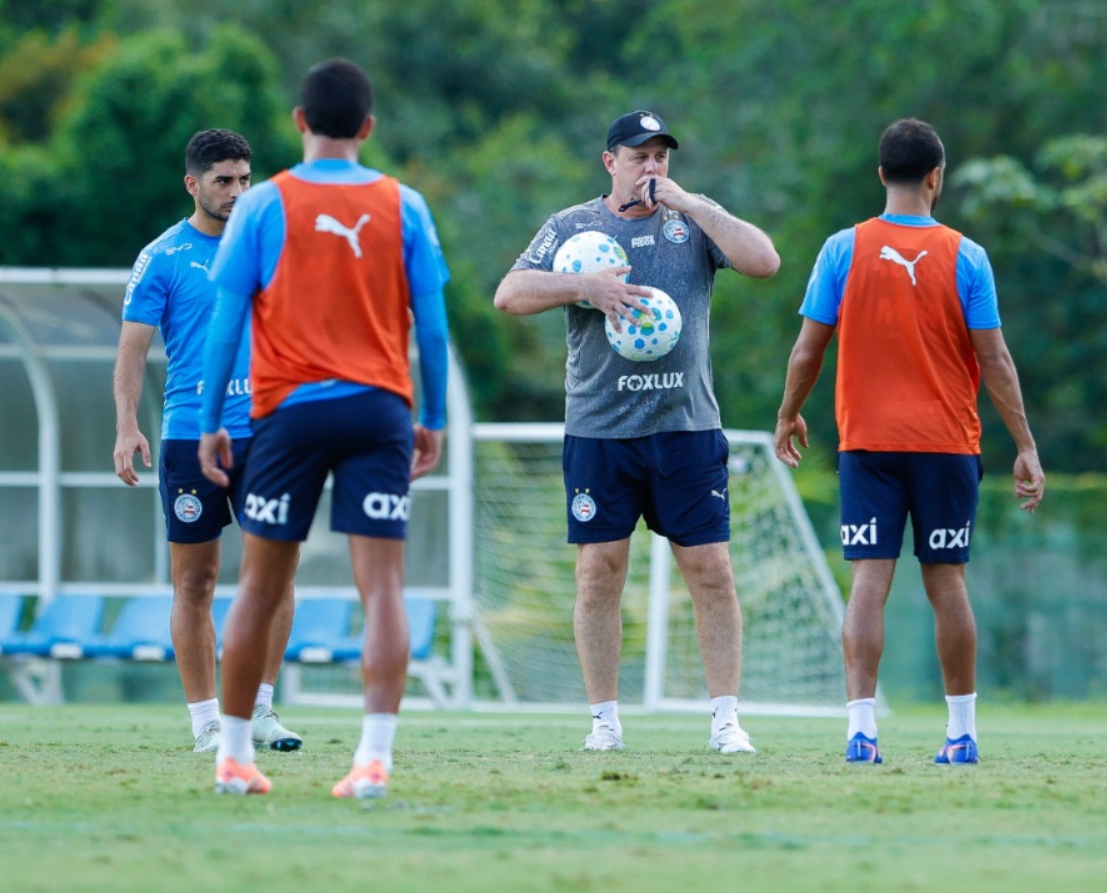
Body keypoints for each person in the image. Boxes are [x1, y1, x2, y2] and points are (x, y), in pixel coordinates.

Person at [198, 58, 450, 797]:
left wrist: (213, 419)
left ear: (299, 122)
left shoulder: (262, 204)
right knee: (384, 589)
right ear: (367, 129)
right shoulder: (403, 203)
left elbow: (225, 323)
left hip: (288, 412)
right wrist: (428, 418)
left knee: (258, 587)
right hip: (378, 411)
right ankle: (373, 759)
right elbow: (430, 327)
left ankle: (234, 759)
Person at [494, 110, 780, 754]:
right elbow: (508, 296)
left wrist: (694, 203)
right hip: (599, 433)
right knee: (599, 572)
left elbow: (765, 261)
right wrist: (582, 287)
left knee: (711, 569)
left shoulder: (692, 221)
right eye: (639, 156)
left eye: (661, 157)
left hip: (686, 428)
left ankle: (726, 719)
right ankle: (604, 721)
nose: (652, 167)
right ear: (610, 162)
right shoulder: (572, 227)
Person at [772, 117, 1045, 765]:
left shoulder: (842, 249)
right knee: (946, 583)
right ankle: (961, 735)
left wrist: (788, 414)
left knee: (868, 580)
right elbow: (996, 359)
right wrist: (1025, 444)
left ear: (880, 176)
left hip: (867, 444)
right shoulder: (966, 255)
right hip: (947, 444)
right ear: (935, 178)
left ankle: (860, 733)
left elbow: (807, 348)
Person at [114, 128, 302, 754]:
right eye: (224, 180)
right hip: (191, 435)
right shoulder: (162, 256)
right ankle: (206, 723)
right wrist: (125, 424)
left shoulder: (272, 246)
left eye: (245, 179)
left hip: (268, 433)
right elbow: (133, 351)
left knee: (274, 573)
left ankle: (263, 711)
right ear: (193, 183)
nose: (237, 191)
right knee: (195, 582)